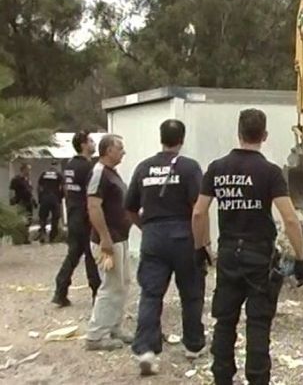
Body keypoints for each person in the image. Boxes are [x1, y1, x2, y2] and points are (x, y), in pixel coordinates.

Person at [192, 108, 303, 385]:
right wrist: (301, 258)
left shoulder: (217, 168)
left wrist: (200, 248)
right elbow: (290, 218)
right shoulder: (270, 172)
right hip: (259, 257)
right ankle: (257, 380)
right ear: (264, 136)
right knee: (258, 324)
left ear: (239, 133)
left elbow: (198, 212)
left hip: (229, 253)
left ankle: (222, 378)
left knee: (224, 322)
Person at [126, 119, 209, 376]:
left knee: (151, 294)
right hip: (183, 234)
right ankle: (193, 345)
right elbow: (199, 209)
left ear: (160, 137)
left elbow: (129, 207)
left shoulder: (143, 167)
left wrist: (147, 228)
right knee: (191, 293)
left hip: (153, 235)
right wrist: (202, 244)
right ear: (182, 139)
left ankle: (146, 350)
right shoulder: (189, 168)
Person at [85, 134, 133, 351]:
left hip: (120, 237)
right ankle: (96, 334)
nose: (123, 152)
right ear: (108, 151)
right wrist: (104, 237)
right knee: (110, 285)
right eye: (120, 148)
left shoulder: (112, 174)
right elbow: (94, 207)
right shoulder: (98, 173)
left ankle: (114, 326)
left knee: (122, 284)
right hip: (108, 240)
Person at [52, 131, 101, 307]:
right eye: (90, 141)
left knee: (73, 254)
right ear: (83, 145)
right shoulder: (88, 168)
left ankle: (60, 291)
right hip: (86, 216)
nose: (93, 144)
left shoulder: (70, 165)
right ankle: (97, 294)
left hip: (73, 214)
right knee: (91, 256)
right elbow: (93, 194)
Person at [37, 160, 64, 243]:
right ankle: (53, 236)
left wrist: (40, 198)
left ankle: (42, 233)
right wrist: (61, 197)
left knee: (43, 217)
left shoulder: (44, 174)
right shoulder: (59, 175)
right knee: (55, 218)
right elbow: (62, 187)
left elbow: (39, 187)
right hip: (54, 198)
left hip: (45, 198)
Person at [9, 163, 35, 243]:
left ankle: (26, 237)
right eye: (28, 170)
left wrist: (33, 200)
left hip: (28, 202)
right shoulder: (16, 180)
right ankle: (19, 237)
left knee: (29, 220)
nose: (29, 171)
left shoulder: (28, 180)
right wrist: (12, 199)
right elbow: (12, 190)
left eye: (30, 170)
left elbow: (30, 191)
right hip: (21, 202)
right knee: (22, 220)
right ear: (23, 170)